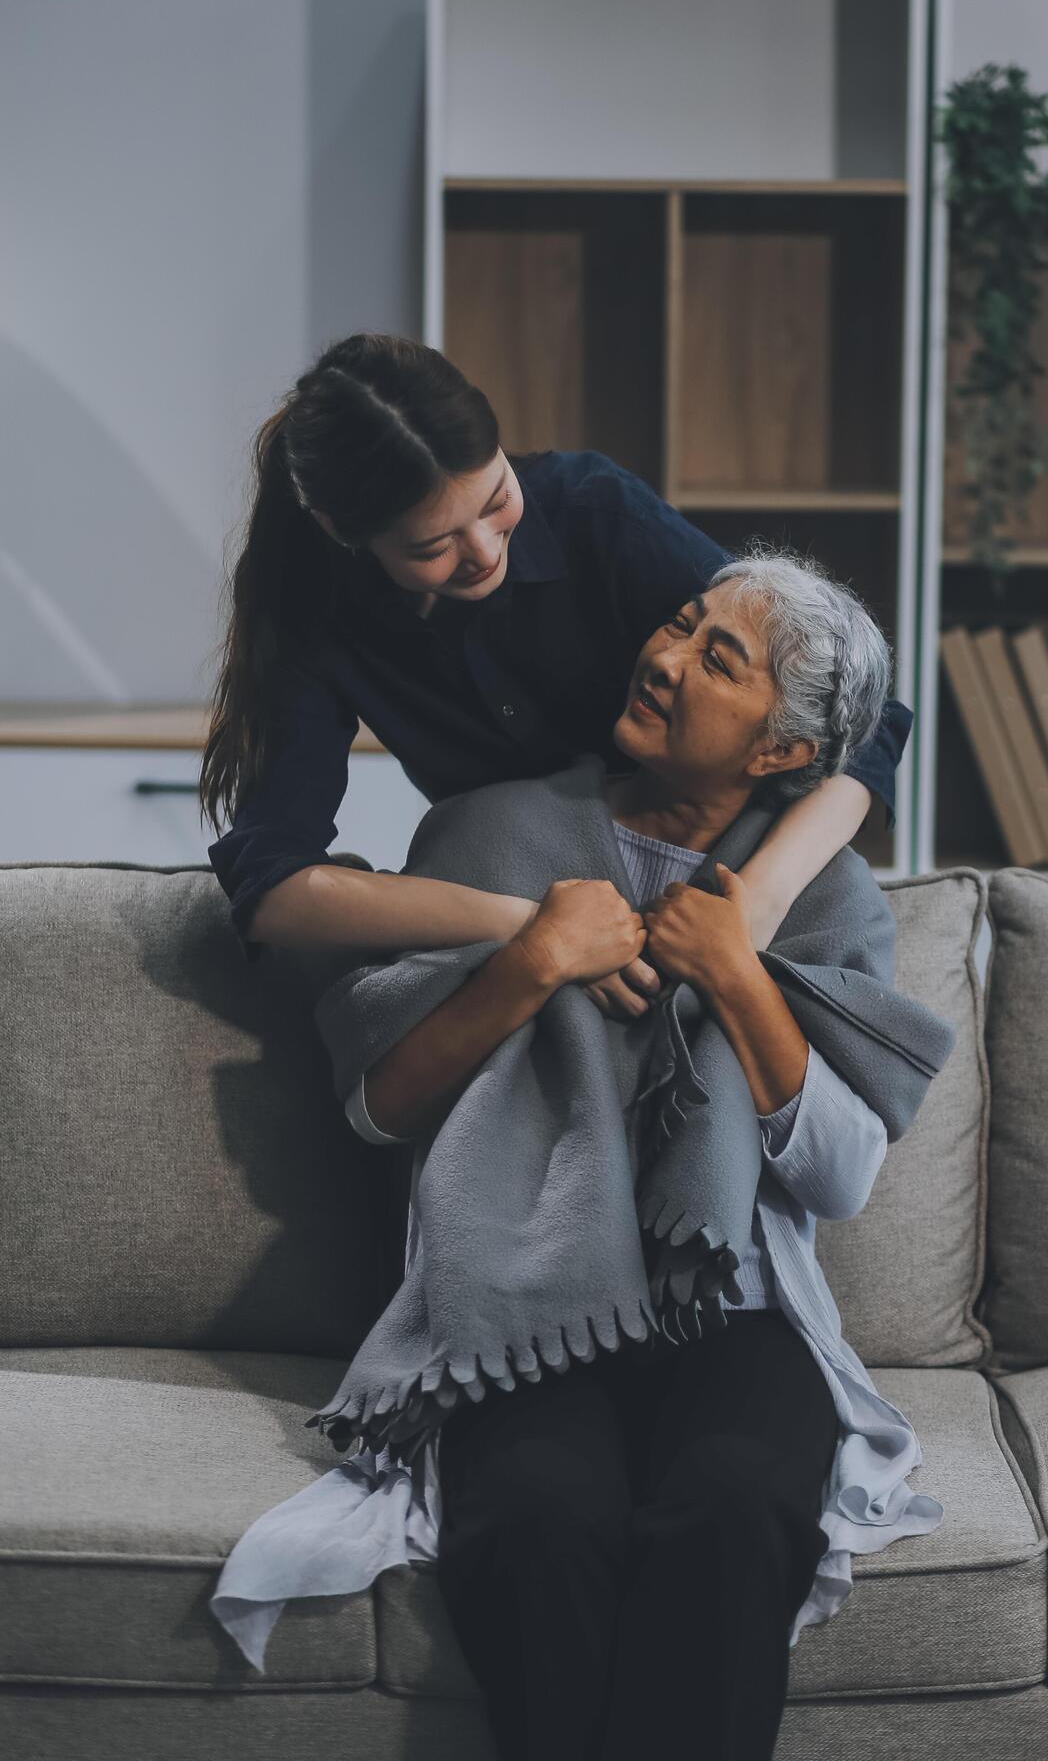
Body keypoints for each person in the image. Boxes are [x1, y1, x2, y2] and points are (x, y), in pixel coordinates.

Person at [205, 464, 953, 1757]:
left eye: (718, 658)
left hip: (737, 1310)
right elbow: (379, 1112)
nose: (663, 654)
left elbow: (836, 1176)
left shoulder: (820, 898)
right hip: (519, 1307)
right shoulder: (483, 837)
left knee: (730, 1508)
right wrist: (526, 963)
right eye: (676, 624)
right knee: (540, 1523)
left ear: (781, 751)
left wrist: (735, 972)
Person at [199, 331, 913, 1007]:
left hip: (708, 885)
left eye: (496, 501)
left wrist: (759, 899)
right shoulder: (316, 615)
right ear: (339, 530)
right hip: (520, 907)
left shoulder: (592, 509)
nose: (482, 551)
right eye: (434, 546)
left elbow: (857, 715)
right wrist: (533, 929)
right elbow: (273, 887)